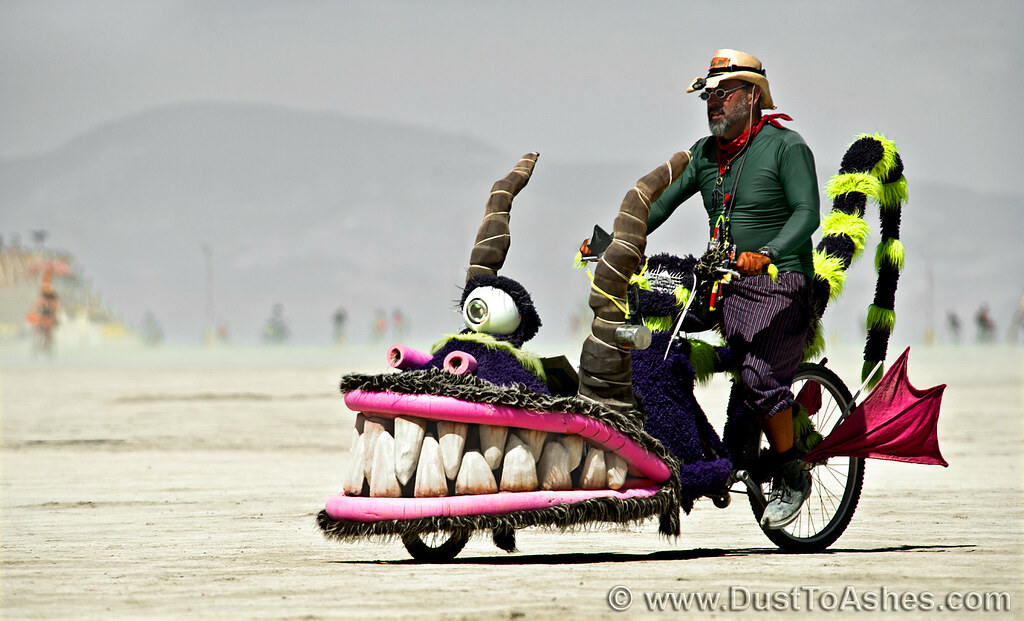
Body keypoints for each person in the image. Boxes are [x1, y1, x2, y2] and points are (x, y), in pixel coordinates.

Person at [645, 50, 820, 529]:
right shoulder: (705, 154)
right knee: (647, 326)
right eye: (709, 95)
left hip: (780, 284)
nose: (713, 103)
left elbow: (808, 214)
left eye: (723, 94)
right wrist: (615, 240)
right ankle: (683, 445)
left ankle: (790, 471)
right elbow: (658, 206)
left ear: (752, 96)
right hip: (719, 281)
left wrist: (767, 252)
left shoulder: (787, 147)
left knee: (760, 377)